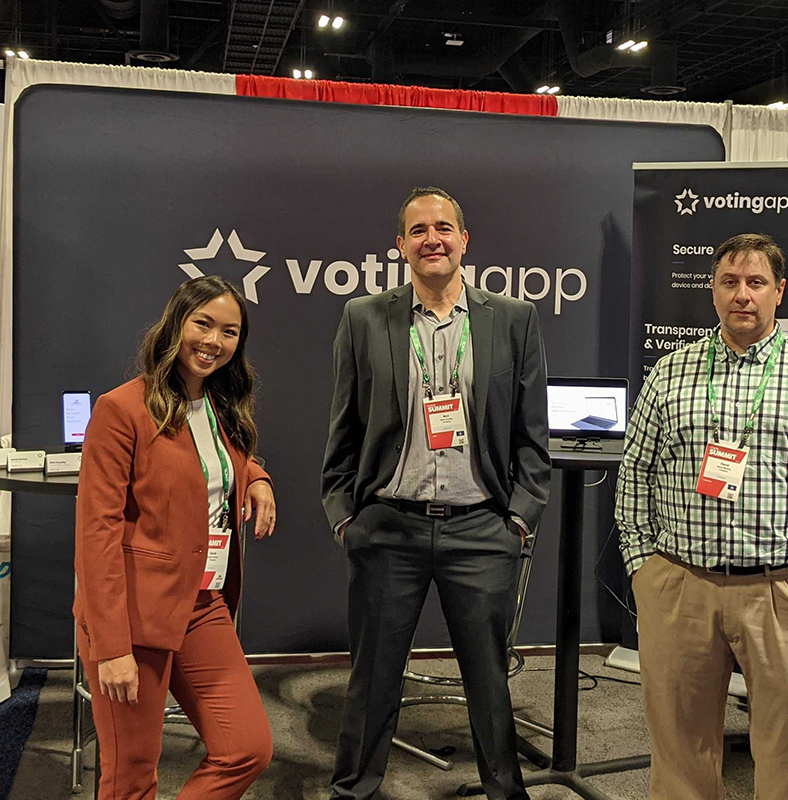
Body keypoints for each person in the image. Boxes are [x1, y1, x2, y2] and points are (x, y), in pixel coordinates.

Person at [615, 233, 788, 800]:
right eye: (730, 282)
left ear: (779, 291)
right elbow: (635, 472)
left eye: (756, 283)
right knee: (679, 750)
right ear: (712, 290)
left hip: (784, 594)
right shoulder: (669, 374)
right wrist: (643, 566)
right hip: (680, 586)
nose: (742, 296)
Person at [321, 186, 551, 800]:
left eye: (444, 227)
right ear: (401, 246)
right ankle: (354, 792)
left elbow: (533, 434)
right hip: (388, 530)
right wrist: (347, 516)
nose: (433, 239)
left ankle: (507, 793)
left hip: (481, 530)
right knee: (371, 682)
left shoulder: (513, 318)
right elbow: (343, 426)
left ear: (464, 240)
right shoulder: (365, 317)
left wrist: (520, 519)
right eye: (418, 230)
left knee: (490, 684)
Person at [75, 275, 277, 800]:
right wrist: (111, 647)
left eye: (229, 332)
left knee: (247, 748)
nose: (214, 341)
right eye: (202, 324)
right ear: (175, 325)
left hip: (202, 602)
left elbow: (214, 463)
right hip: (134, 613)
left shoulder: (220, 404)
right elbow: (96, 534)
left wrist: (255, 477)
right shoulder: (121, 410)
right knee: (130, 777)